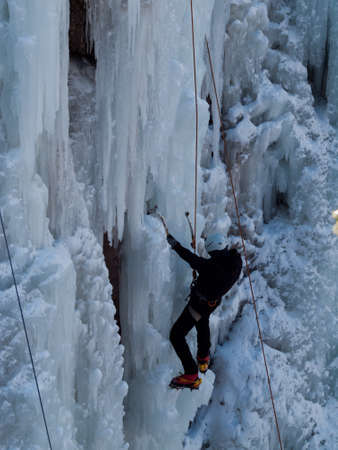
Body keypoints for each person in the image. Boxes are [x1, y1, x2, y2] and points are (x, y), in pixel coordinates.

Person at [167, 232, 242, 389]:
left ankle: (191, 373)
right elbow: (207, 264)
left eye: (212, 254)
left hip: (199, 304)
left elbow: (191, 259)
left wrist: (175, 245)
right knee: (202, 321)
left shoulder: (210, 267)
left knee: (176, 335)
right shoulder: (236, 262)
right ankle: (203, 356)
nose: (211, 256)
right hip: (212, 303)